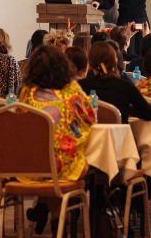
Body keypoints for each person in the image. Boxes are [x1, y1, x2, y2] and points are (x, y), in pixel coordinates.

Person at [19, 45, 95, 236]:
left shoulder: (27, 93)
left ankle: (49, 213)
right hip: (65, 164)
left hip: (32, 166)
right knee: (62, 166)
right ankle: (57, 222)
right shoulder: (72, 90)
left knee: (47, 168)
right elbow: (90, 118)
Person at [79, 41, 151, 123]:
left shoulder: (81, 86)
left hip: (90, 131)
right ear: (115, 61)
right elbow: (150, 114)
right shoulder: (126, 86)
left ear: (90, 64)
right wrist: (125, 109)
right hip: (120, 131)